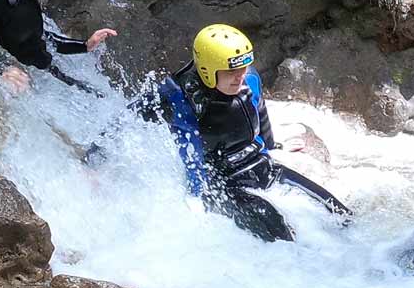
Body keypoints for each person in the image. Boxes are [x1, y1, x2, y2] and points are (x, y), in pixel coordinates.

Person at [91, 24, 351, 241]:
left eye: (243, 68)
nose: (240, 77)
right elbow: (129, 119)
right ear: (207, 70)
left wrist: (272, 147)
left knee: (340, 214)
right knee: (283, 235)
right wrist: (93, 160)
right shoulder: (180, 98)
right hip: (224, 183)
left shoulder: (249, 78)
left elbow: (261, 115)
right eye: (232, 72)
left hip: (261, 166)